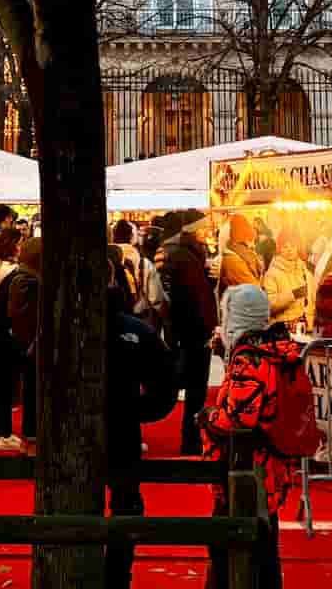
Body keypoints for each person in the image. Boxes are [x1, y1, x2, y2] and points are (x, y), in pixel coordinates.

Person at [201, 284, 311, 589]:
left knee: (233, 545)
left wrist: (208, 417)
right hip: (271, 465)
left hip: (247, 470)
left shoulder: (249, 360)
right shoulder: (274, 350)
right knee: (265, 543)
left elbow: (236, 419)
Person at [106, 247, 178, 589]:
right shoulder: (132, 330)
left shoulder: (130, 331)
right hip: (118, 429)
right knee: (124, 502)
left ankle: (110, 573)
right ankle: (116, 574)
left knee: (121, 501)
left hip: (100, 429)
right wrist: (139, 410)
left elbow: (164, 381)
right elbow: (164, 382)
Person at [160, 211, 217, 454]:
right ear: (194, 230)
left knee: (195, 390)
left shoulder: (188, 255)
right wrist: (206, 328)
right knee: (195, 389)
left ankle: (191, 438)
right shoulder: (185, 257)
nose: (209, 231)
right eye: (204, 227)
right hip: (193, 333)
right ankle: (190, 440)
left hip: (190, 331)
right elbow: (191, 299)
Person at [0, 237, 39, 450]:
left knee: (3, 384)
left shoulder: (15, 275)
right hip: (17, 339)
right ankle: (28, 433)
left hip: (3, 335)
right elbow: (24, 315)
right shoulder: (30, 279)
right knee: (29, 385)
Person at [261, 228, 310, 328]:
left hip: (302, 324)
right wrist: (293, 295)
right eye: (285, 246)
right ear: (279, 249)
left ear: (297, 247)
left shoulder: (303, 269)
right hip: (281, 328)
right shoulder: (272, 273)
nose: (289, 250)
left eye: (292, 246)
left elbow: (311, 301)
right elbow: (269, 305)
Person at [219, 215, 263, 294]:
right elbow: (254, 289)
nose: (253, 244)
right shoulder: (233, 260)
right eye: (250, 239)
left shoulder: (245, 254)